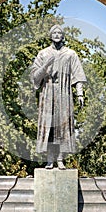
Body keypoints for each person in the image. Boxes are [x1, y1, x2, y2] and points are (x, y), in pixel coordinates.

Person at [31, 24, 86, 169]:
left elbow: (78, 75)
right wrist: (44, 67)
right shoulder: (43, 54)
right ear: (50, 35)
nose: (56, 34)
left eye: (59, 32)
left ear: (63, 36)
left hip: (64, 94)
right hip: (47, 94)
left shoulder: (70, 54)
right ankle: (50, 160)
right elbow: (35, 77)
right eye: (54, 32)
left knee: (62, 126)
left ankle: (60, 159)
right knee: (49, 126)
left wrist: (80, 93)